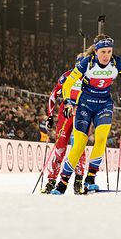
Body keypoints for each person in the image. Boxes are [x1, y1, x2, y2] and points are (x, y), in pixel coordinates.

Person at [52, 34, 121, 195]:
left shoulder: (117, 62)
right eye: (103, 52)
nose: (106, 55)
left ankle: (90, 179)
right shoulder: (87, 63)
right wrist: (68, 101)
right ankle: (62, 183)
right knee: (79, 144)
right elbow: (68, 83)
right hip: (85, 105)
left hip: (104, 104)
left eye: (109, 51)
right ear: (96, 51)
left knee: (102, 138)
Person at [42, 65, 88, 194]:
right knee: (60, 147)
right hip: (66, 113)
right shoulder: (67, 75)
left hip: (82, 112)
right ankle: (51, 181)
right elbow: (53, 95)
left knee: (78, 147)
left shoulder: (90, 77)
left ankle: (78, 181)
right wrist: (50, 116)